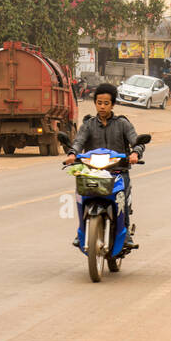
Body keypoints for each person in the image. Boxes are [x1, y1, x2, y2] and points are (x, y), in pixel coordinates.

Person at [63, 83, 142, 248]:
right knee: (81, 196)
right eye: (99, 103)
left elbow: (137, 142)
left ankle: (125, 232)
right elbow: (78, 142)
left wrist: (135, 153)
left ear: (113, 104)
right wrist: (72, 154)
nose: (102, 106)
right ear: (95, 104)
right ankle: (82, 231)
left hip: (118, 172)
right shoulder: (88, 124)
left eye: (106, 103)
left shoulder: (122, 124)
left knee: (122, 199)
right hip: (92, 172)